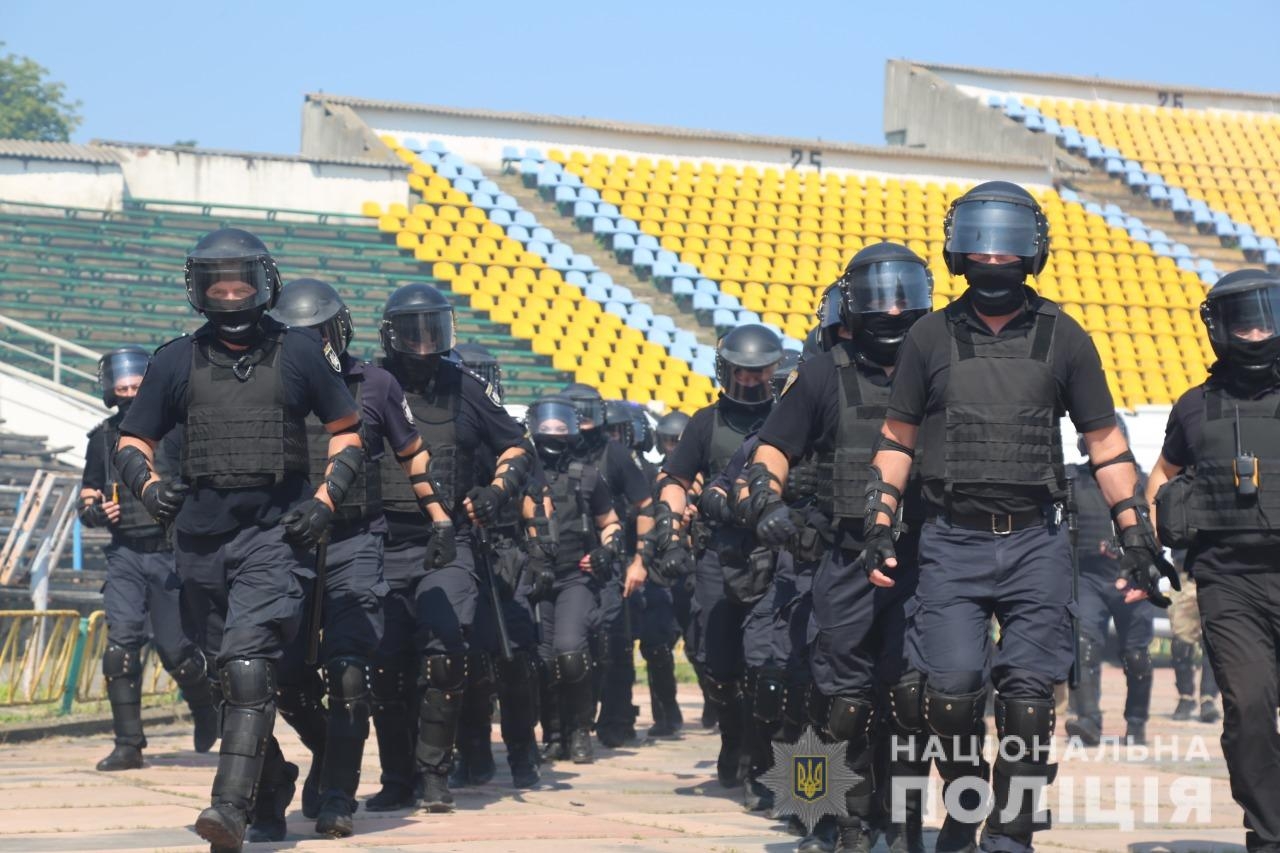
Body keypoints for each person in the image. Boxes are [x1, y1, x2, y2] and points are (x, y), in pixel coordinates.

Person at [860, 182, 1175, 853]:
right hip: (950, 540)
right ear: (958, 250)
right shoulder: (927, 336)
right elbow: (897, 439)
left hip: (1036, 540)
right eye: (980, 242)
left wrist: (1136, 537)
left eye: (1005, 243)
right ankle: (967, 800)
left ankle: (1010, 834)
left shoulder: (1065, 337)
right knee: (947, 697)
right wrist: (880, 520)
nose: (993, 257)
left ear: (1031, 251)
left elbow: (1105, 444)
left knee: (1029, 705)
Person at [116, 228, 364, 850]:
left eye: (241, 281)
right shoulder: (174, 359)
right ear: (197, 289)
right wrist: (148, 489)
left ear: (264, 283)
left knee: (251, 668)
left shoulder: (300, 353)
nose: (230, 294)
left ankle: (227, 808)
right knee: (218, 674)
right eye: (216, 283)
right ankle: (273, 779)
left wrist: (324, 500)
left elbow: (348, 431)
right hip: (197, 542)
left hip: (272, 536)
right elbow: (131, 441)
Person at [746, 242, 933, 852]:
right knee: (816, 697)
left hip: (918, 553)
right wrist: (767, 506)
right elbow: (764, 455)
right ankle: (815, 812)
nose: (892, 312)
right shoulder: (822, 374)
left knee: (909, 698)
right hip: (822, 560)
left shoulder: (936, 365)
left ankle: (893, 816)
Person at [270, 278, 452, 837]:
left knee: (351, 672)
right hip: (288, 545)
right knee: (287, 680)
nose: (312, 344)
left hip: (355, 542)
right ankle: (325, 745)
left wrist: (440, 518)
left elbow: (412, 452)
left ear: (340, 329)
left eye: (321, 333)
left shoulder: (375, 384)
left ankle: (336, 797)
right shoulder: (268, 381)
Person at [365, 283, 533, 814]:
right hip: (382, 541)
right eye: (412, 333)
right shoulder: (367, 383)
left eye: (432, 330)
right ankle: (398, 778)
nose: (423, 345)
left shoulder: (465, 388)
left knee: (445, 654)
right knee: (387, 669)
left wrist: (497, 489)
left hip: (450, 540)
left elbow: (516, 443)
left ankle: (436, 774)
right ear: (391, 336)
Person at [1146, 269, 1280, 853]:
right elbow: (1161, 478)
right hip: (1229, 582)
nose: (1255, 332)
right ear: (1220, 328)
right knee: (1249, 709)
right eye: (1241, 320)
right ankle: (1270, 833)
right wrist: (1145, 548)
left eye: (1265, 317)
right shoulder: (1194, 407)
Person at [649, 323, 784, 789]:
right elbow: (674, 479)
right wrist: (668, 528)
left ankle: (764, 763)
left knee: (763, 663)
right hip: (716, 552)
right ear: (725, 371)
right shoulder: (705, 421)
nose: (749, 380)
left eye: (758, 372)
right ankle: (733, 736)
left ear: (773, 370)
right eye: (741, 372)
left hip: (771, 551)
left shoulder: (788, 415)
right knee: (718, 664)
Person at [79, 347, 218, 772]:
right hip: (124, 553)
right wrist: (96, 511)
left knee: (177, 651)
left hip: (169, 553)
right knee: (120, 650)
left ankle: (206, 707)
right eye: (121, 388)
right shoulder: (103, 437)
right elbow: (87, 495)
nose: (128, 394)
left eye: (136, 387)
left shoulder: (177, 430)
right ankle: (128, 744)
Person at [449, 342, 543, 791]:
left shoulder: (505, 428)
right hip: (460, 548)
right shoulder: (444, 425)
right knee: (465, 662)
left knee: (514, 661)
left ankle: (523, 753)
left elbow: (532, 494)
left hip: (505, 551)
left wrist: (540, 551)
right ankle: (472, 752)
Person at [526, 396, 625, 763]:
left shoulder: (586, 474)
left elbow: (610, 522)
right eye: (547, 425)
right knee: (542, 661)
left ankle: (580, 730)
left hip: (574, 578)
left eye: (560, 425)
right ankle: (553, 733)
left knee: (569, 654)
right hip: (535, 579)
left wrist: (606, 552)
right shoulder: (521, 472)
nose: (553, 431)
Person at [561, 384, 652, 749]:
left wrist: (639, 561)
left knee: (615, 647)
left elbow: (645, 505)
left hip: (611, 565)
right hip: (567, 564)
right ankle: (570, 726)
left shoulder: (613, 454)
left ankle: (615, 720)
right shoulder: (552, 451)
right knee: (569, 652)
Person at [1064, 414, 1155, 747]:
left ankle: (1136, 723)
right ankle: (1088, 720)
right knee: (1084, 647)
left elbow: (1154, 533)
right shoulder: (1071, 479)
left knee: (1137, 656)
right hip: (1088, 578)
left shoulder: (1140, 480)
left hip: (1133, 578)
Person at [607, 400, 684, 739]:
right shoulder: (601, 469)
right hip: (613, 565)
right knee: (615, 643)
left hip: (651, 568)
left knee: (655, 644)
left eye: (617, 430)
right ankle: (617, 716)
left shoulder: (650, 473)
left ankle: (667, 713)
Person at [1167, 555, 1220, 723]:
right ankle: (1185, 697)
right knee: (1180, 644)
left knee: (1214, 643)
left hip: (1218, 573)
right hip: (1184, 573)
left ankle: (1208, 699)